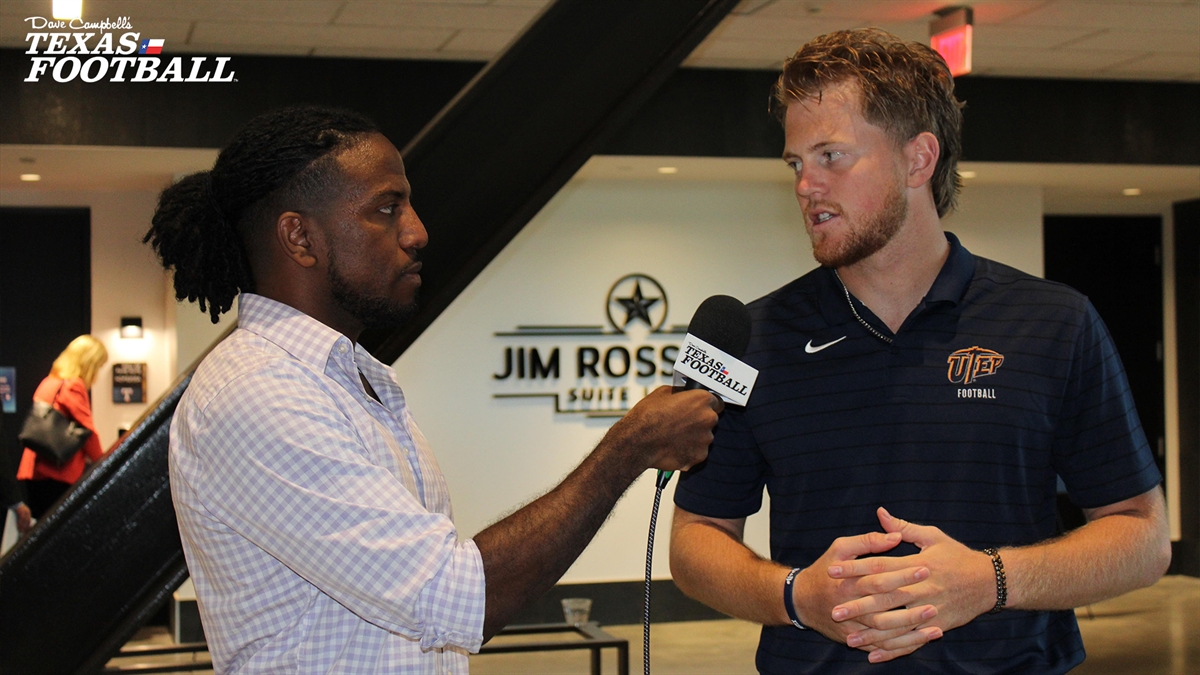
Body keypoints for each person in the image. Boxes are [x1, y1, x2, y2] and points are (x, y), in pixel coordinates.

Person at [143, 105, 722, 673]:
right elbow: (458, 597)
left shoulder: (345, 381)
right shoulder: (257, 393)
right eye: (386, 208)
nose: (417, 232)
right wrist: (627, 448)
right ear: (300, 238)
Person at [669, 28, 1170, 674]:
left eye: (832, 156)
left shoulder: (1056, 323)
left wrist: (990, 579)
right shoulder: (750, 339)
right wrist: (796, 595)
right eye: (796, 163)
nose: (805, 186)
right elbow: (694, 540)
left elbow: (1143, 537)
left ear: (918, 159)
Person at [16, 335, 109, 532]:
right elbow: (88, 431)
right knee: (62, 532)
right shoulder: (73, 385)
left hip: (34, 469)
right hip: (57, 471)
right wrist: (104, 462)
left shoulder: (50, 381)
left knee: (42, 531)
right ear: (89, 363)